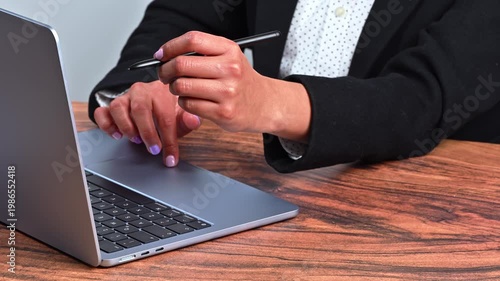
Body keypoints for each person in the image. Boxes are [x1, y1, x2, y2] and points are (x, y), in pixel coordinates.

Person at [88, 0, 500, 173]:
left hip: (432, 217)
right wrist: (150, 87)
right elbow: (180, 15)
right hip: (264, 188)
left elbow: (417, 100)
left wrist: (264, 102)